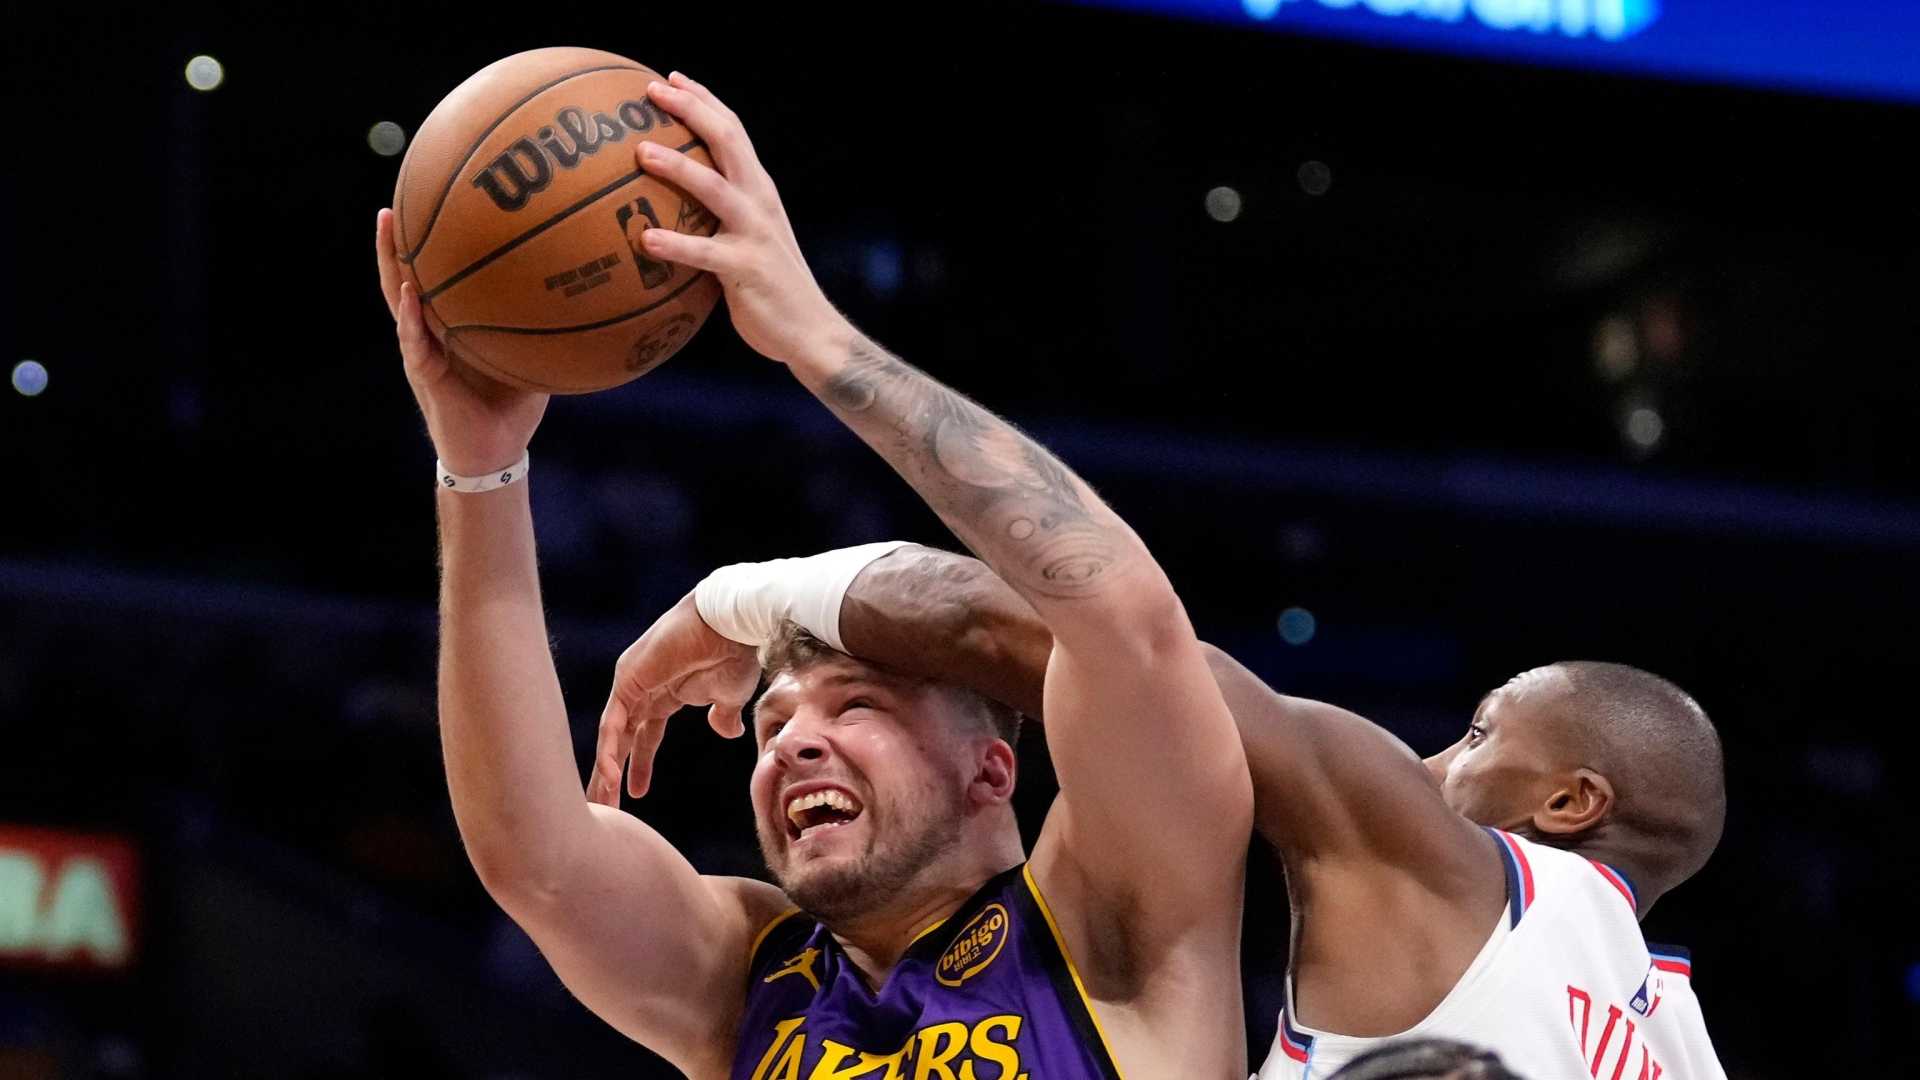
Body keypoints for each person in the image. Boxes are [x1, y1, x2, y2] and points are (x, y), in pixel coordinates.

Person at [376, 71, 1253, 1079]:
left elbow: (1124, 621)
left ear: (992, 769)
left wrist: (811, 336)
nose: (793, 744)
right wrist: (481, 465)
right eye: (773, 723)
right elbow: (535, 857)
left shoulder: (1114, 925)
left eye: (855, 705)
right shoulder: (746, 982)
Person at [611, 543, 1730, 1079]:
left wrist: (742, 595)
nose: (1432, 761)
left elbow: (1094, 650)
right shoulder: (1666, 1031)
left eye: (1478, 736)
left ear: (1572, 801)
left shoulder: (1461, 882)